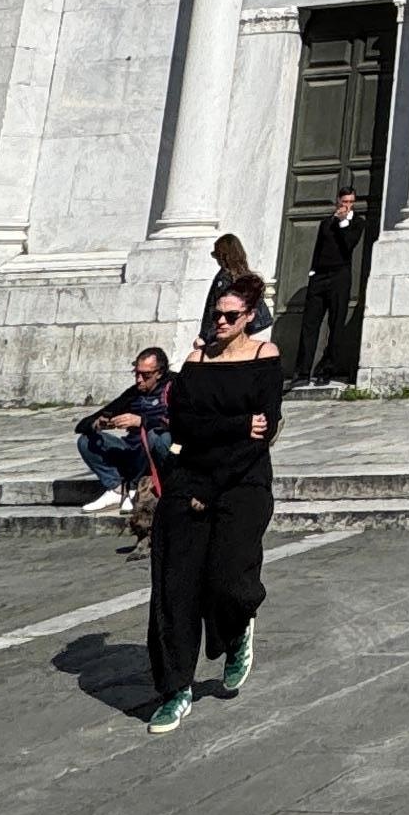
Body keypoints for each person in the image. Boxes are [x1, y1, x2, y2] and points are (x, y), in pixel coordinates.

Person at [148, 277, 284, 730]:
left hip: (243, 480)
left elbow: (265, 434)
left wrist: (225, 437)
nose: (220, 323)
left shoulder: (265, 358)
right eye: (216, 316)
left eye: (230, 316)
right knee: (174, 584)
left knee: (229, 575)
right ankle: (175, 689)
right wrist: (238, 423)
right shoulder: (195, 360)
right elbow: (184, 425)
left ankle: (237, 624)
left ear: (249, 317)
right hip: (190, 477)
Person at [76, 348, 176, 519]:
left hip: (161, 449)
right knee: (86, 441)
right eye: (136, 373)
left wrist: (142, 421)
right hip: (132, 448)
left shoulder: (175, 387)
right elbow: (82, 425)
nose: (139, 380)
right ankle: (116, 488)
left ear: (159, 373)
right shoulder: (134, 393)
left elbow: (183, 422)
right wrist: (98, 423)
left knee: (154, 437)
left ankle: (135, 488)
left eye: (146, 375)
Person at [287, 188, 368, 387]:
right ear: (337, 202)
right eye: (344, 201)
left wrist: (343, 223)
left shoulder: (357, 223)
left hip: (340, 277)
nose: (347, 205)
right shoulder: (326, 223)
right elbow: (319, 248)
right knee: (310, 324)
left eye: (350, 202)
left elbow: (348, 244)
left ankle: (327, 370)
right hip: (320, 277)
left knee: (336, 324)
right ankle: (302, 372)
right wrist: (313, 271)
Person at [199, 234, 271, 350]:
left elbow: (217, 310)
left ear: (222, 257)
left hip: (235, 335)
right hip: (257, 328)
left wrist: (205, 337)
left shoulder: (224, 279)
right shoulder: (247, 276)